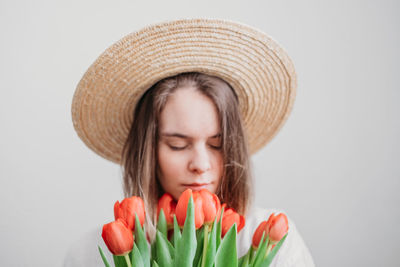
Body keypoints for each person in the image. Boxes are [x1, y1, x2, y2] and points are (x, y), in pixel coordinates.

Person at [66, 19, 315, 266]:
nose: (200, 164)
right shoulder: (89, 254)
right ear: (148, 151)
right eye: (178, 145)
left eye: (217, 144)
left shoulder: (272, 243)